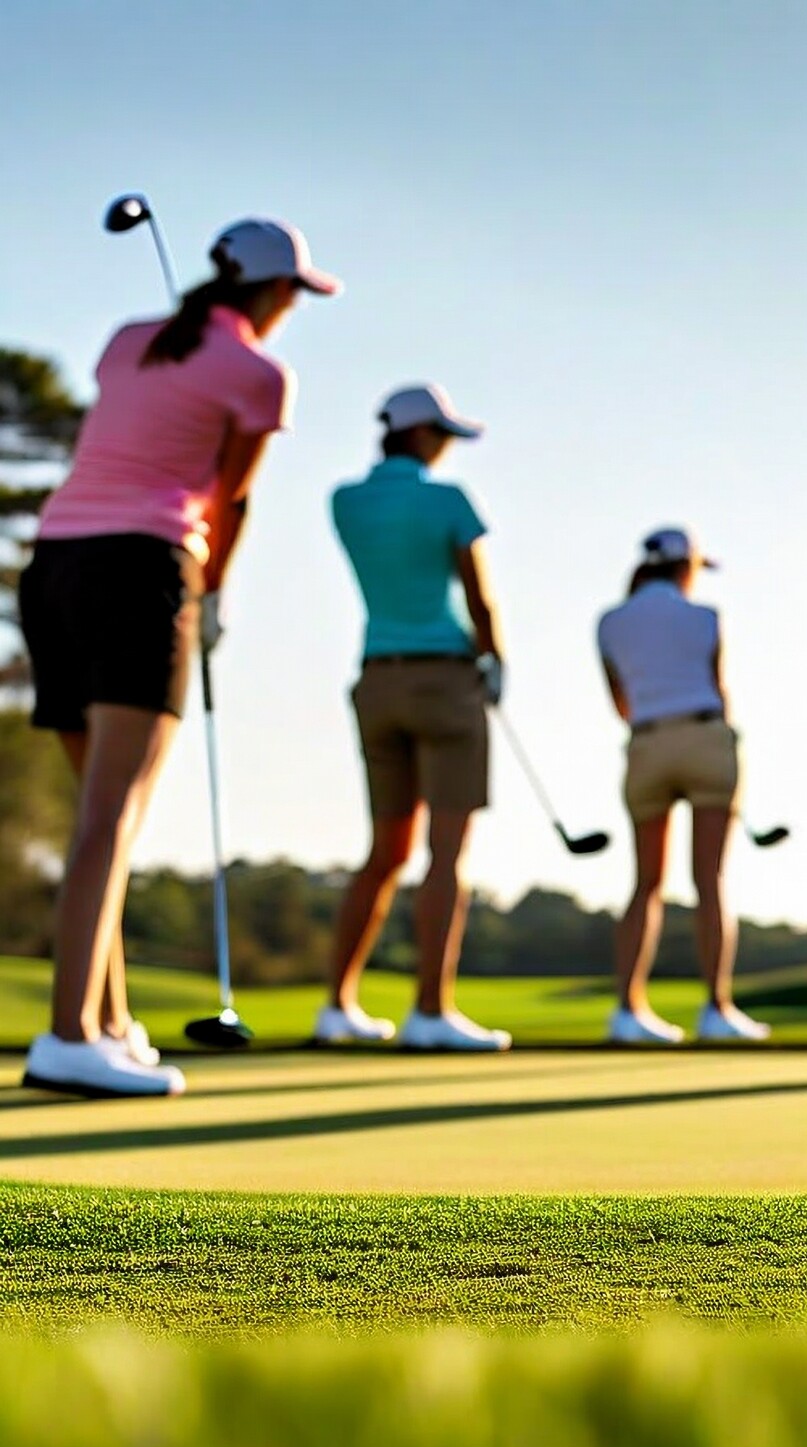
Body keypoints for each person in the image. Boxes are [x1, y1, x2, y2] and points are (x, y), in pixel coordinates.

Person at [19, 219, 338, 1098]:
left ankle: (109, 1024)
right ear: (276, 293)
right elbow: (230, 498)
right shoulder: (260, 373)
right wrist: (214, 593)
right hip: (141, 570)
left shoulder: (130, 339)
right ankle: (67, 1037)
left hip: (54, 569)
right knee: (112, 816)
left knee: (102, 819)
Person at [318, 384, 511, 1052]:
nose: (447, 448)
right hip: (444, 680)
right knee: (446, 853)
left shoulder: (345, 500)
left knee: (385, 852)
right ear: (422, 434)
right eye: (443, 435)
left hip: (376, 681)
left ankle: (337, 1004)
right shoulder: (449, 500)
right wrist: (495, 659)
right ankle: (431, 1009)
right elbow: (479, 596)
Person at [596, 527, 768, 1044]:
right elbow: (718, 686)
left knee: (646, 882)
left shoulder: (610, 622)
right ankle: (716, 1008)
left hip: (646, 743)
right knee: (709, 880)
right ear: (684, 567)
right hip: (704, 736)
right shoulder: (706, 617)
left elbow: (620, 702)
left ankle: (628, 1009)